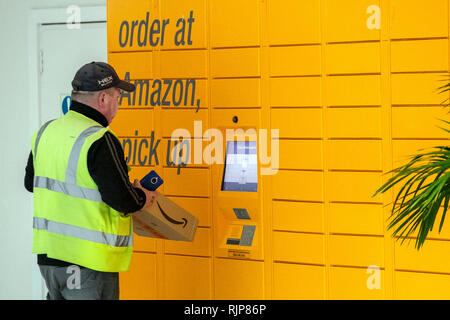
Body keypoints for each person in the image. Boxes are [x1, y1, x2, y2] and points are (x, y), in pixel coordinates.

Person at [24, 61, 156, 300]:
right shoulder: (99, 139)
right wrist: (142, 196)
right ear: (103, 99)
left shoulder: (46, 131)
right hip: (86, 264)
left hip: (49, 260)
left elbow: (30, 183)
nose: (118, 105)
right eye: (118, 97)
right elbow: (123, 200)